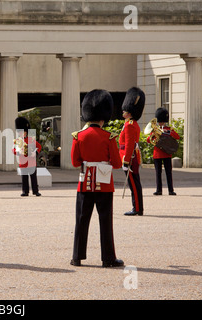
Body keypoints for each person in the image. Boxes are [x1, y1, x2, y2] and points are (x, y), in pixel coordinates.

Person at [70, 89, 123, 268]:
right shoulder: (109, 137)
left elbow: (75, 162)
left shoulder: (78, 137)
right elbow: (116, 164)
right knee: (105, 221)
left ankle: (77, 257)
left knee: (81, 219)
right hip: (104, 183)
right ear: (103, 117)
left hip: (84, 182)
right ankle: (108, 258)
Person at [119, 87, 145, 216]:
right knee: (135, 183)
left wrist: (126, 160)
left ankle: (137, 208)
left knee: (134, 184)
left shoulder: (129, 125)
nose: (123, 111)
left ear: (130, 112)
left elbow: (129, 145)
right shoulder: (131, 123)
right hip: (131, 156)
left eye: (125, 110)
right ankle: (137, 207)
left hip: (130, 157)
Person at [146, 107, 180, 196]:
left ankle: (171, 190)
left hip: (166, 153)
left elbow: (177, 137)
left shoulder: (169, 129)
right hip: (157, 154)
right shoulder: (155, 129)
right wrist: (153, 135)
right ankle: (159, 190)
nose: (161, 123)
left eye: (162, 121)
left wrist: (167, 132)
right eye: (160, 121)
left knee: (169, 173)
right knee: (158, 173)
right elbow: (149, 140)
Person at [13, 117, 42, 197]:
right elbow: (13, 150)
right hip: (23, 162)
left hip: (31, 162)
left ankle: (35, 191)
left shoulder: (31, 140)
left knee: (33, 178)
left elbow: (39, 146)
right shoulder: (18, 141)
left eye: (23, 132)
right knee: (24, 178)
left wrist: (35, 153)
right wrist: (17, 152)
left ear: (26, 132)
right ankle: (25, 191)